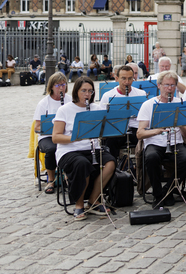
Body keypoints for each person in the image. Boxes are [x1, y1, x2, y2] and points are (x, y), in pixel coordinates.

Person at [52, 77, 116, 220]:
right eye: (84, 91)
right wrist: (76, 137)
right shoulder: (64, 110)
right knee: (82, 164)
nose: (87, 94)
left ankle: (93, 200)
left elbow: (103, 132)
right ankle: (79, 205)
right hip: (69, 150)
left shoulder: (96, 108)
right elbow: (55, 137)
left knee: (110, 162)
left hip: (92, 148)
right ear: (76, 91)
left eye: (90, 91)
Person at [137, 71, 186, 208]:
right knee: (151, 158)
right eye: (166, 85)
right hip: (155, 142)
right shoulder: (148, 104)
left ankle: (166, 192)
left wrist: (180, 122)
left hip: (176, 142)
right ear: (159, 85)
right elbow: (139, 134)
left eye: (172, 85)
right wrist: (157, 130)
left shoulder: (181, 103)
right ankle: (158, 194)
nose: (169, 88)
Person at [101, 65, 147, 160]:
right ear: (116, 78)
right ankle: (113, 169)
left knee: (147, 141)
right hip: (117, 130)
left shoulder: (141, 94)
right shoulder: (108, 95)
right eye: (123, 79)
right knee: (110, 143)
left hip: (136, 129)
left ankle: (141, 169)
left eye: (130, 79)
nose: (127, 82)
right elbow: (102, 117)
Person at [34, 72, 68, 194]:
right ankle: (51, 180)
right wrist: (47, 128)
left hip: (65, 134)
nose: (61, 88)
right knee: (52, 149)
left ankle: (69, 176)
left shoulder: (70, 100)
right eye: (58, 85)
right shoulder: (44, 103)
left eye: (63, 85)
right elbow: (36, 127)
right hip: (47, 136)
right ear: (51, 87)